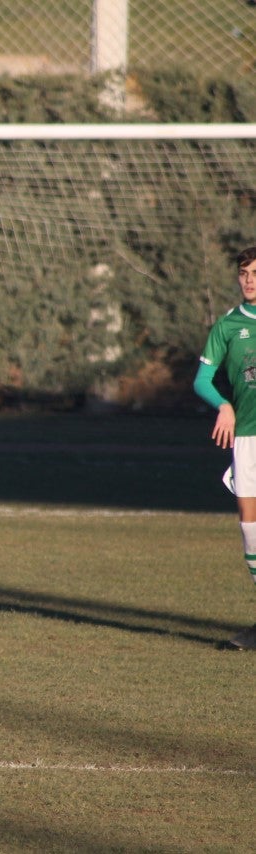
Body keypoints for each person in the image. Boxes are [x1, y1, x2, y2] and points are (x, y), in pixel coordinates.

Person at [193, 245, 256, 651]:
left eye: (255, 272)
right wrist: (224, 405)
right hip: (248, 437)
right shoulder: (228, 326)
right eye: (244, 273)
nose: (248, 279)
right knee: (252, 531)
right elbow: (202, 380)